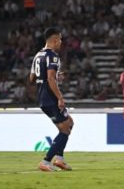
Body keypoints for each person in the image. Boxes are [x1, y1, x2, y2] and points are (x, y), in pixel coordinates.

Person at [30, 27, 74, 172]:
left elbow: (32, 78)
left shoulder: (37, 55)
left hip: (42, 97)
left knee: (69, 124)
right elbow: (49, 77)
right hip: (50, 98)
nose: (61, 42)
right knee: (65, 130)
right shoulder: (53, 56)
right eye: (60, 39)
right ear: (54, 40)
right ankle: (46, 161)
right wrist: (60, 98)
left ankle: (59, 160)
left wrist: (55, 76)